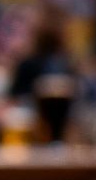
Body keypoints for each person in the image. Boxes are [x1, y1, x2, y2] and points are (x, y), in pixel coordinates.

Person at [9, 11, 78, 144]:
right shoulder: (66, 65)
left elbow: (14, 101)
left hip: (39, 136)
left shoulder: (64, 64)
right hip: (39, 135)